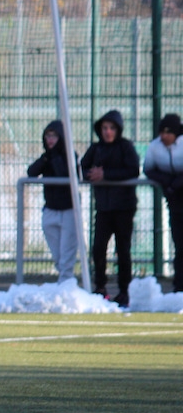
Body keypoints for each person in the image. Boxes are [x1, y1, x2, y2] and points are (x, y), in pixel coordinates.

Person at [80, 109, 140, 307]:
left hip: (123, 208)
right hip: (104, 208)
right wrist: (91, 174)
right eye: (104, 128)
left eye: (112, 128)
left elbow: (132, 169)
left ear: (118, 129)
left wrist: (106, 174)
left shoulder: (125, 147)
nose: (107, 132)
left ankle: (124, 291)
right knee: (98, 248)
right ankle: (100, 287)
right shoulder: (96, 148)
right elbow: (83, 166)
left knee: (122, 250)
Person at [27, 120, 80, 284]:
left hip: (69, 210)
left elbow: (64, 172)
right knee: (58, 255)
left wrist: (55, 155)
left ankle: (66, 287)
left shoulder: (70, 156)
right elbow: (31, 172)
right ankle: (63, 285)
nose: (50, 140)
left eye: (55, 136)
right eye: (48, 136)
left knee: (67, 256)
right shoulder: (46, 157)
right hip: (50, 209)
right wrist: (46, 157)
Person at [142, 113, 183, 293]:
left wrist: (178, 181)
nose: (164, 136)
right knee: (180, 247)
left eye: (168, 132)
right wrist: (167, 182)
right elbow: (149, 169)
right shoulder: (155, 147)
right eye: (161, 132)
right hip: (175, 202)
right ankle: (179, 287)